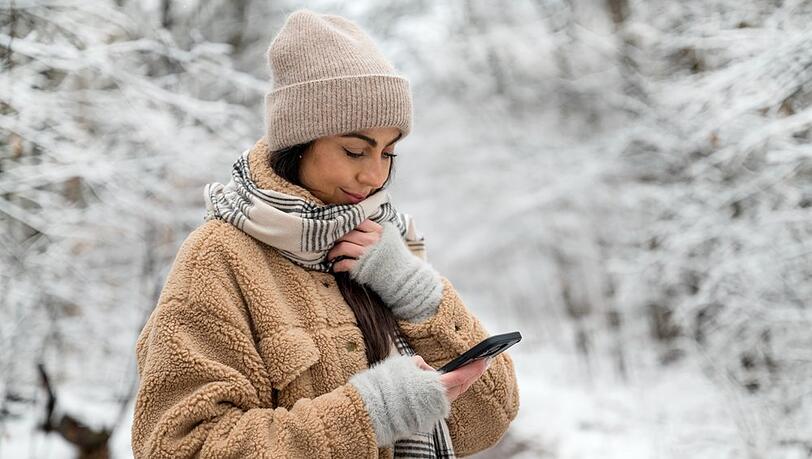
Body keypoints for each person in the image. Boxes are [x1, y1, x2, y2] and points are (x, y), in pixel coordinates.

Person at [131, 9, 519, 459]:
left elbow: (489, 418)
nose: (375, 176)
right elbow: (179, 447)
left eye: (388, 153)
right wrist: (370, 414)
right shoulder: (219, 257)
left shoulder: (384, 240)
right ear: (298, 143)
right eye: (354, 150)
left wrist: (416, 291)